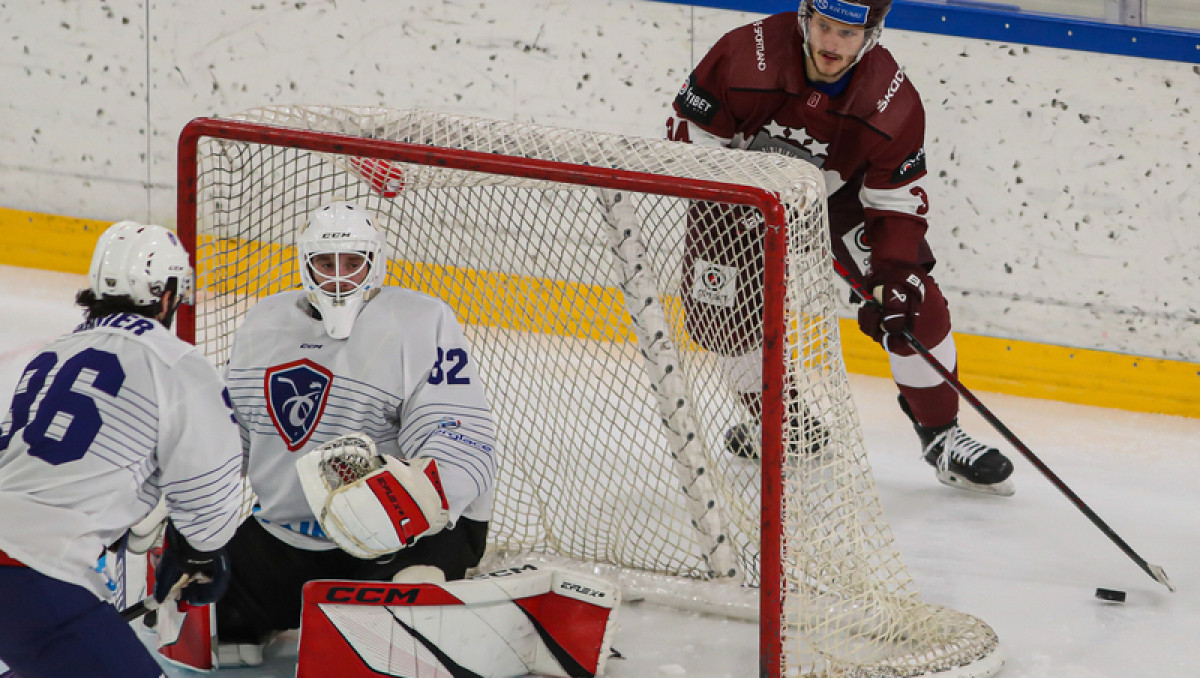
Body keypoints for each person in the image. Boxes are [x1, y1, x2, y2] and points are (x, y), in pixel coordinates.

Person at [665, 0, 1015, 495]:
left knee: (913, 303)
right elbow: (689, 133)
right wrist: (738, 196)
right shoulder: (747, 55)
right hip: (735, 196)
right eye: (825, 26)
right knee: (724, 317)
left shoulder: (891, 101)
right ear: (806, 18)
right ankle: (784, 424)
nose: (832, 44)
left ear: (872, 34)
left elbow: (896, 203)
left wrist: (893, 276)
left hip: (838, 198)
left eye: (848, 33)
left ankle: (942, 437)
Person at [215, 201, 499, 665]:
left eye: (353, 262)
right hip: (289, 533)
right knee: (214, 611)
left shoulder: (419, 321)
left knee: (410, 615)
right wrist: (187, 504)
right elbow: (232, 437)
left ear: (376, 262)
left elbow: (459, 435)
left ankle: (426, 589)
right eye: (326, 263)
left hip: (401, 540)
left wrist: (404, 503)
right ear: (305, 264)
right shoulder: (264, 324)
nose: (339, 276)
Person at [0, 221, 244, 678]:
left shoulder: (51, 356)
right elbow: (210, 508)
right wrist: (196, 551)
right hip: (35, 567)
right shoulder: (175, 364)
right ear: (168, 294)